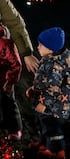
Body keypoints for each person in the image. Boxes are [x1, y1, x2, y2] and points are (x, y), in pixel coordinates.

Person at [26, 27, 70, 159]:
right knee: (42, 122)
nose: (37, 47)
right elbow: (43, 81)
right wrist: (34, 88)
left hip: (55, 106)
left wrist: (45, 104)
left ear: (51, 49)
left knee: (51, 126)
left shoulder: (54, 66)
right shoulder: (51, 57)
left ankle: (56, 150)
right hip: (46, 98)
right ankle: (44, 142)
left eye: (40, 45)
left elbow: (53, 89)